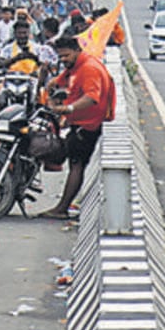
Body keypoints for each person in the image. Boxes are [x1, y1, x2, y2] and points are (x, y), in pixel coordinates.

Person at [38, 35, 115, 219]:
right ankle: (63, 205)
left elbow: (91, 97)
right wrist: (51, 83)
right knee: (73, 160)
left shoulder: (89, 69)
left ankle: (62, 208)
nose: (63, 60)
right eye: (60, 57)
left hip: (87, 125)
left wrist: (67, 108)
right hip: (77, 122)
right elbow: (62, 79)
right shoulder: (76, 65)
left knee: (76, 163)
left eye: (66, 56)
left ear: (77, 51)